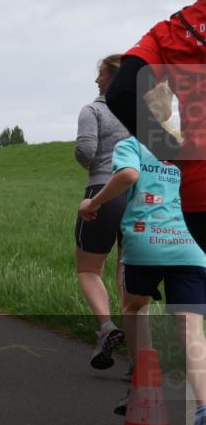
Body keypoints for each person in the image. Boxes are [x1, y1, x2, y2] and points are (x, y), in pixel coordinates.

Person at [105, 0, 206, 425]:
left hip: (196, 191)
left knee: (194, 313)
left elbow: (123, 90)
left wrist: (172, 140)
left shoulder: (171, 32)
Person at [79, 135, 206, 425]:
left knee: (135, 306)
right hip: (190, 244)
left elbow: (128, 176)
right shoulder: (190, 142)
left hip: (145, 242)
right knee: (192, 329)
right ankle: (205, 419)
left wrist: (93, 204)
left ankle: (143, 390)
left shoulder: (131, 144)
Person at [74, 55, 130, 370]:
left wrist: (91, 167)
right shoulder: (145, 111)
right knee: (130, 279)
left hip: (102, 193)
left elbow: (85, 150)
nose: (96, 80)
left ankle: (107, 327)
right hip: (140, 198)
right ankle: (141, 356)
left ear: (112, 78)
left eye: (100, 74)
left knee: (88, 270)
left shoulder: (94, 110)